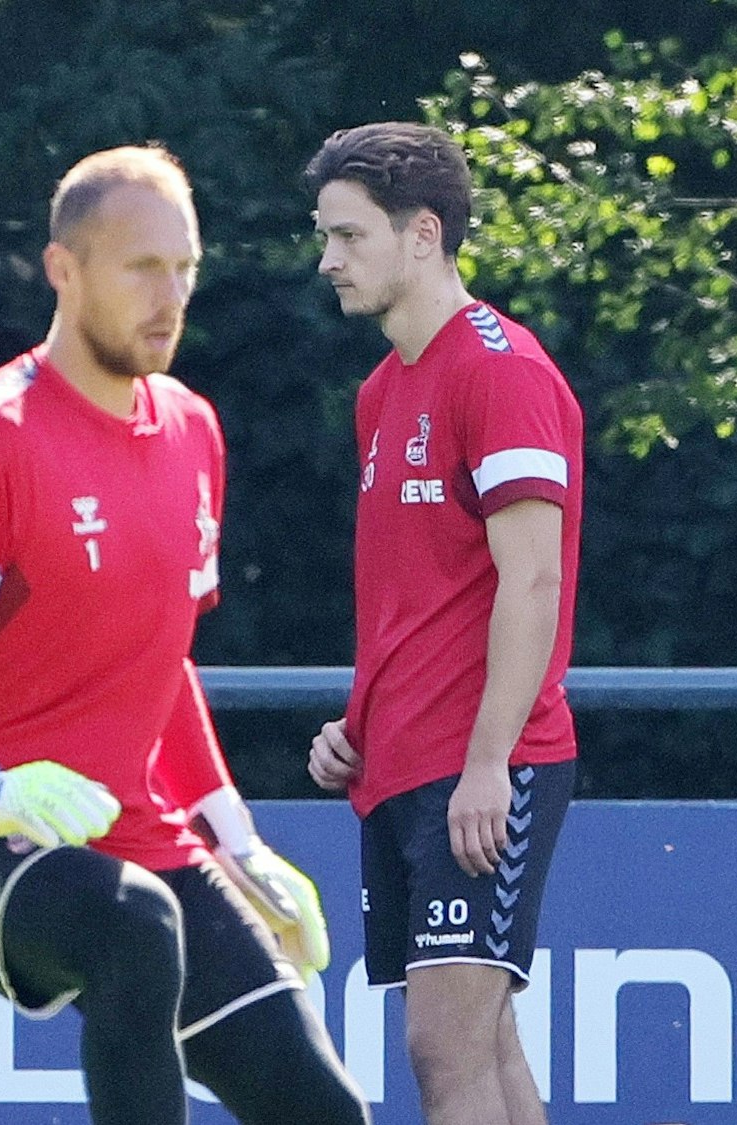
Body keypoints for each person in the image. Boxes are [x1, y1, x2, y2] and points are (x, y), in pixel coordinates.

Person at [0, 144, 371, 1124]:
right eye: (142, 267)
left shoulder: (193, 429)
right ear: (64, 270)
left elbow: (159, 654)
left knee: (322, 1110)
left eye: (184, 267)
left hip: (140, 840)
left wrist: (237, 841)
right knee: (134, 924)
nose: (170, 294)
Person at [301, 122, 583, 1125]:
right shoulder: (381, 394)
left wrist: (488, 762)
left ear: (422, 234)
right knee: (482, 1045)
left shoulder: (496, 368)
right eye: (324, 235)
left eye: (347, 235)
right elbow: (418, 595)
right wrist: (358, 727)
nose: (327, 259)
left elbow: (533, 581)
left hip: (484, 766)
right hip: (405, 761)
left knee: (443, 1043)